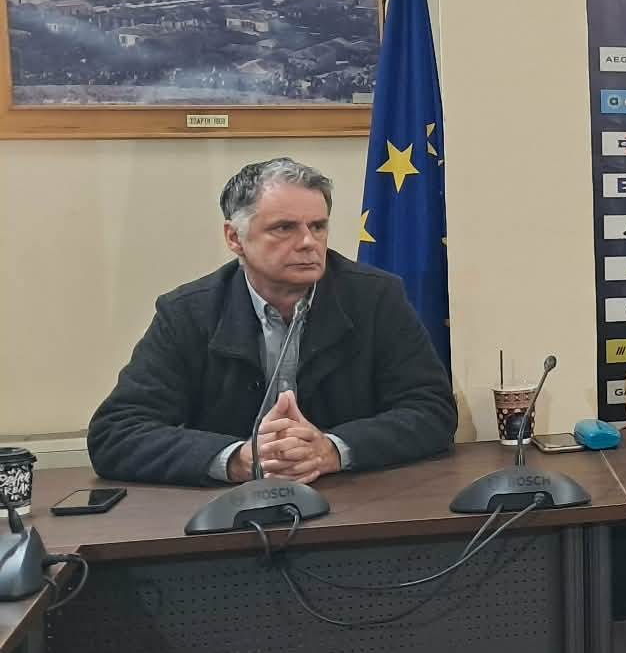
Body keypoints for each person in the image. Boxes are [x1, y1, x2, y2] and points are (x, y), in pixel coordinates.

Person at [88, 158, 456, 486]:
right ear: (235, 238)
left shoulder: (375, 298)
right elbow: (117, 432)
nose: (308, 242)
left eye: (318, 226)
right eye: (284, 228)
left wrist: (332, 449)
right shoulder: (188, 312)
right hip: (230, 514)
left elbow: (432, 411)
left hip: (351, 503)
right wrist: (236, 459)